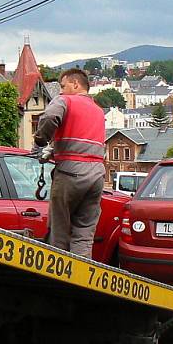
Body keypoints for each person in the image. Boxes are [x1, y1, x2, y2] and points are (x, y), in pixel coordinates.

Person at [31, 68, 105, 258]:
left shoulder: (66, 100)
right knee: (83, 234)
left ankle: (58, 280)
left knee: (59, 232)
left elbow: (49, 117)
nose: (61, 91)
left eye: (63, 86)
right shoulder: (98, 111)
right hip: (97, 175)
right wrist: (54, 147)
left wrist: (41, 141)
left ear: (75, 84)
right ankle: (81, 278)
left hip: (71, 173)